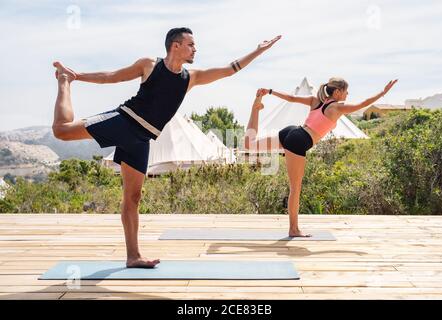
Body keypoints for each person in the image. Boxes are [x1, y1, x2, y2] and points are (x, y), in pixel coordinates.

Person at [52, 27, 281, 268]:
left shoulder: (190, 78)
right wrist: (76, 76)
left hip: (141, 138)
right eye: (191, 44)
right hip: (125, 120)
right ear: (176, 45)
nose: (195, 49)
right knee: (62, 130)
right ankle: (64, 81)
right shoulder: (150, 65)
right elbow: (112, 76)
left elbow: (229, 70)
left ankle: (133, 256)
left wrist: (258, 50)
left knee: (133, 196)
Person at [244, 78, 398, 237]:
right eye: (346, 91)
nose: (348, 94)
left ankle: (255, 108)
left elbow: (291, 98)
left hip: (292, 131)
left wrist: (270, 91)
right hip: (298, 140)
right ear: (337, 92)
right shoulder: (337, 107)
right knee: (295, 188)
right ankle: (294, 229)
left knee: (250, 144)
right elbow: (362, 104)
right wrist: (383, 92)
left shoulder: (315, 101)